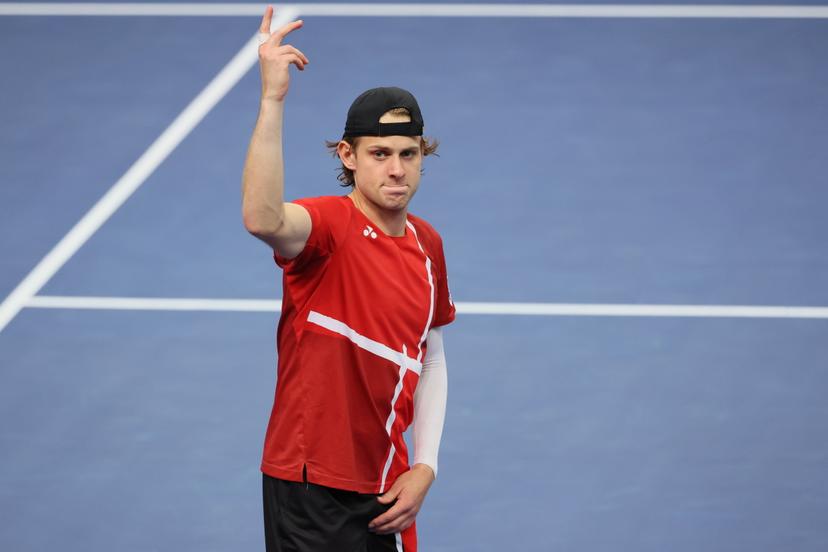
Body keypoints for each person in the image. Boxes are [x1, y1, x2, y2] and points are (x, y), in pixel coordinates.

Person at [241, 6, 456, 551]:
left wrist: (426, 465)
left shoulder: (427, 245)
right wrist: (272, 100)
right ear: (349, 157)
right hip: (311, 486)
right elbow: (263, 219)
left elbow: (427, 354)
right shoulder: (327, 229)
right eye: (379, 154)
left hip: (388, 484)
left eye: (409, 155)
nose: (396, 170)